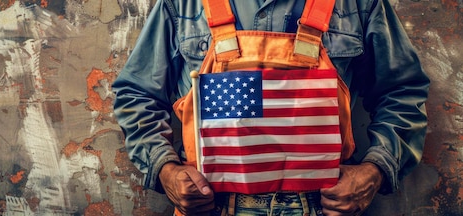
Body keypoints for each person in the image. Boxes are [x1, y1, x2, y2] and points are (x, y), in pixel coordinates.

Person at [112, 0, 430, 215]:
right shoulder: (183, 4)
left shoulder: (358, 4)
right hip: (210, 204)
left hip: (326, 204)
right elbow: (136, 92)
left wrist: (375, 170)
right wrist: (165, 169)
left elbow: (402, 89)